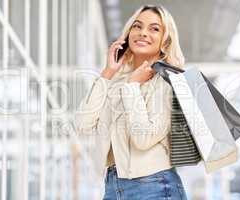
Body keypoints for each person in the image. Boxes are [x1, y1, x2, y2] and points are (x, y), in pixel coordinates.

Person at [74, 4, 187, 200]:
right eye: (137, 26)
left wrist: (133, 86)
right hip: (113, 186)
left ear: (165, 42)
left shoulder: (167, 82)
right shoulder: (116, 82)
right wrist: (108, 72)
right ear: (128, 33)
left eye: (154, 29)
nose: (143, 33)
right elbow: (82, 124)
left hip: (156, 186)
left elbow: (143, 139)